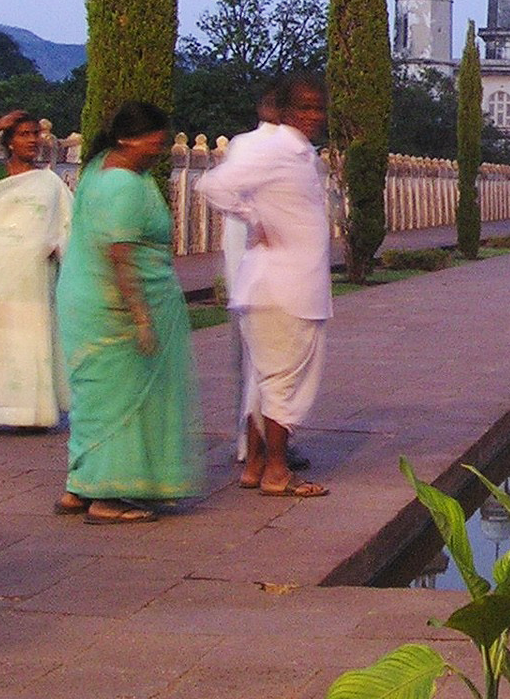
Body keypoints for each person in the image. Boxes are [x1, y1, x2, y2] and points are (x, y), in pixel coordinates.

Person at [54, 101, 198, 525]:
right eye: (154, 142)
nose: (159, 150)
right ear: (127, 139)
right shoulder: (122, 185)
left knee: (95, 396)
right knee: (123, 399)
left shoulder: (100, 170)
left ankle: (79, 487)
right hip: (114, 306)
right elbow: (120, 254)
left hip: (87, 301)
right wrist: (141, 316)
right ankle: (109, 496)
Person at [196, 74, 331, 498]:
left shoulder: (302, 153)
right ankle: (277, 471)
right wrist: (254, 218)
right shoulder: (275, 149)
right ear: (284, 111)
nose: (311, 116)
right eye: (303, 108)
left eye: (317, 108)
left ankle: (255, 465)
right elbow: (212, 185)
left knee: (266, 380)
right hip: (282, 288)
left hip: (293, 284)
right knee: (283, 383)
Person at [0, 110, 72, 433]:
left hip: (34, 273)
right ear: (8, 141)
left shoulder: (49, 183)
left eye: (36, 134)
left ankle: (31, 414)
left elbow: (67, 225)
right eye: (23, 134)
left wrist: (56, 244)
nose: (32, 140)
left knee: (32, 336)